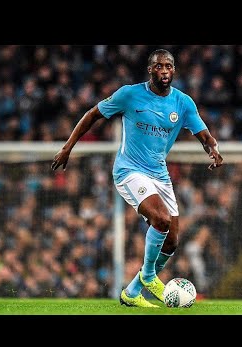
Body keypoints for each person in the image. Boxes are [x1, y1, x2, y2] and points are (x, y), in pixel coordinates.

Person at [51, 49, 223, 307]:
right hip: (129, 170)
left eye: (169, 66)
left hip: (159, 173)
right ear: (150, 69)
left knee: (173, 240)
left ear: (174, 70)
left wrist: (212, 149)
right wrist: (68, 147)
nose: (164, 71)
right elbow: (92, 114)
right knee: (161, 219)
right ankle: (150, 276)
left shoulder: (183, 103)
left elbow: (203, 133)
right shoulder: (129, 94)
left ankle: (131, 293)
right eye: (159, 66)